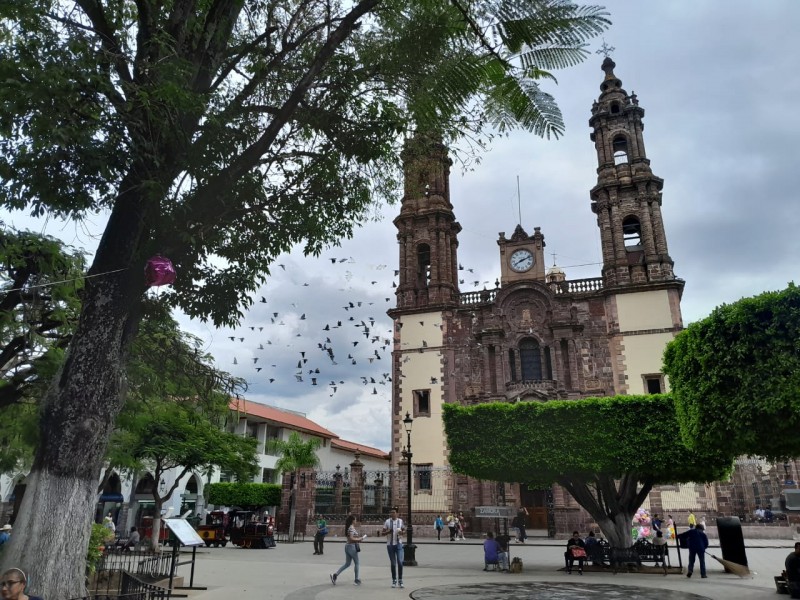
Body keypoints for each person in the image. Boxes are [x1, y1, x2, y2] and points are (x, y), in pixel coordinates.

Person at [330, 515, 366, 586]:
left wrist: (358, 538)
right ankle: (356, 580)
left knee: (347, 564)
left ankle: (335, 575)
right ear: (352, 520)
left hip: (347, 546)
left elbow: (350, 538)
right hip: (351, 546)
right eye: (355, 519)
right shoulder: (351, 528)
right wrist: (360, 539)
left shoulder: (349, 527)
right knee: (357, 563)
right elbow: (351, 538)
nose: (356, 521)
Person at [381, 507, 406, 588]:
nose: (392, 514)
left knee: (400, 562)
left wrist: (401, 532)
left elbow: (404, 531)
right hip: (390, 545)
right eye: (391, 512)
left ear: (397, 513)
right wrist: (388, 531)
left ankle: (400, 580)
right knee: (393, 563)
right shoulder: (387, 522)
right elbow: (383, 533)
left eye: (394, 512)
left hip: (399, 544)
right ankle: (394, 580)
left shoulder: (400, 521)